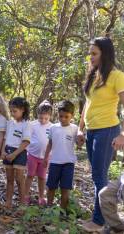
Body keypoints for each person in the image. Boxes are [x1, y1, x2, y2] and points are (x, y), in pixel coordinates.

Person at [77, 37, 124, 232]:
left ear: (105, 54)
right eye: (90, 53)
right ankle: (101, 218)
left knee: (99, 176)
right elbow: (88, 104)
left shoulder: (117, 75)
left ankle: (99, 221)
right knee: (96, 175)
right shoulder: (93, 76)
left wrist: (122, 134)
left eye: (94, 53)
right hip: (92, 131)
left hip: (107, 131)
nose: (91, 56)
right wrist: (80, 128)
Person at [44, 100, 81, 210]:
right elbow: (49, 143)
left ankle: (62, 211)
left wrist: (81, 140)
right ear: (57, 115)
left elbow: (79, 143)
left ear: (72, 116)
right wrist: (45, 158)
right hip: (55, 162)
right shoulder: (53, 128)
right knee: (51, 186)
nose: (63, 119)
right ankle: (49, 208)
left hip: (68, 163)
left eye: (66, 116)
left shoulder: (75, 128)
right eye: (61, 116)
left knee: (65, 188)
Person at [2, 97, 31, 208]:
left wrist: (15, 154)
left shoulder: (26, 124)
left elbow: (26, 141)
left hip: (19, 152)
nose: (12, 113)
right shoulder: (10, 123)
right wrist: (4, 151)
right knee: (9, 179)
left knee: (19, 179)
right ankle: (8, 202)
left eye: (15, 111)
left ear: (22, 109)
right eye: (11, 111)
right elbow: (5, 138)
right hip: (8, 151)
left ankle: (22, 203)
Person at [25, 100, 53, 206]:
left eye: (46, 118)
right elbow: (27, 138)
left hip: (45, 158)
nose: (43, 120)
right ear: (37, 114)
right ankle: (26, 195)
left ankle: (41, 197)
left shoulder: (52, 127)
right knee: (30, 175)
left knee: (42, 177)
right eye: (41, 117)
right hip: (32, 155)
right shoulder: (32, 124)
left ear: (50, 116)